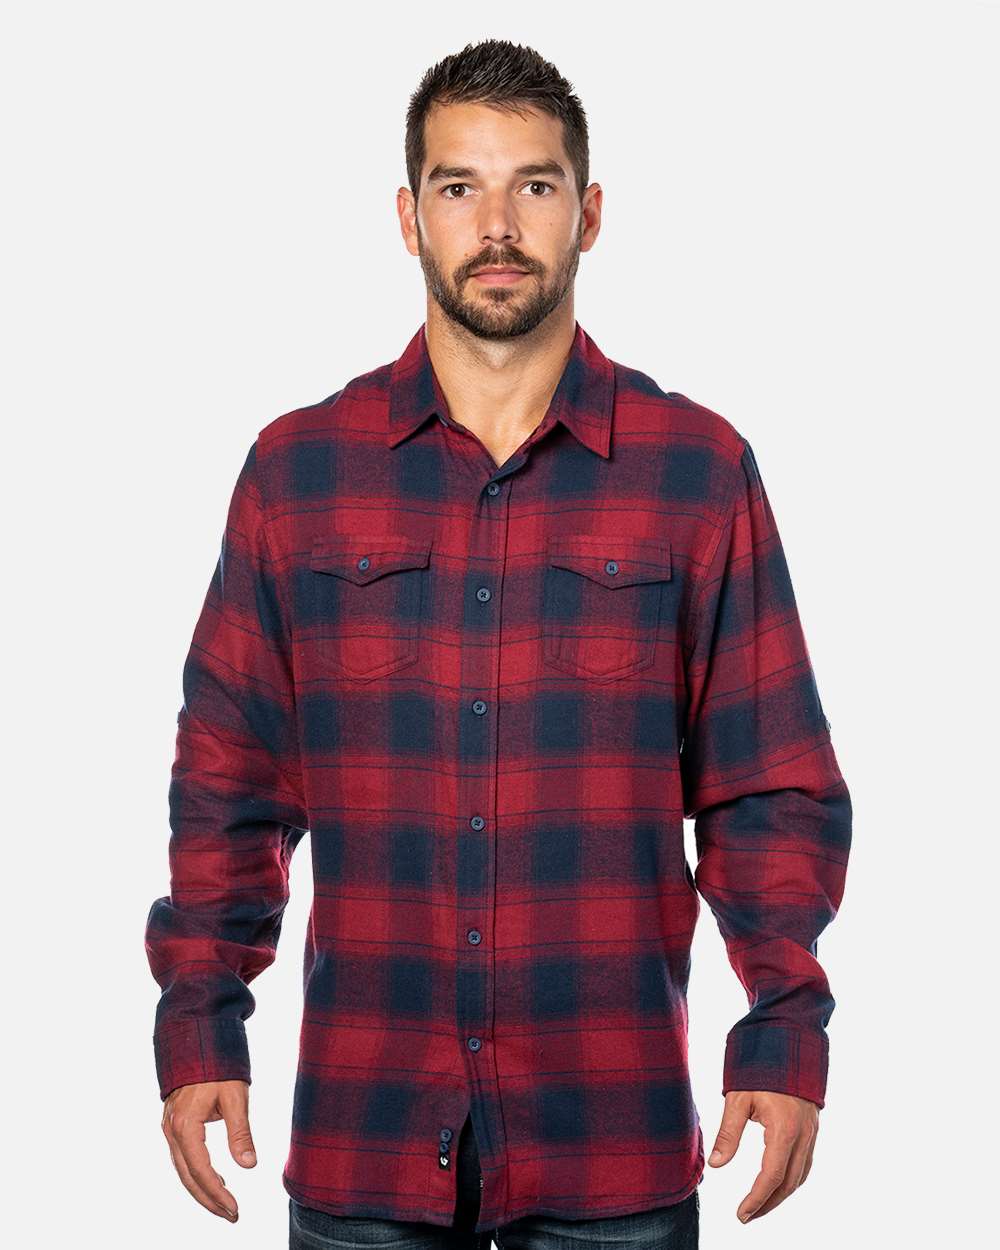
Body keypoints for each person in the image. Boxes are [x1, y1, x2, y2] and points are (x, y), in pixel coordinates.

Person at [145, 38, 852, 1250]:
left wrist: (782, 1024)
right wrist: (200, 1016)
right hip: (367, 1138)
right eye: (458, 186)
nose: (497, 226)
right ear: (407, 216)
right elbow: (229, 782)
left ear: (589, 213)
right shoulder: (298, 471)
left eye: (532, 184)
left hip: (611, 1149)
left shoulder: (696, 470)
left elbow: (769, 785)